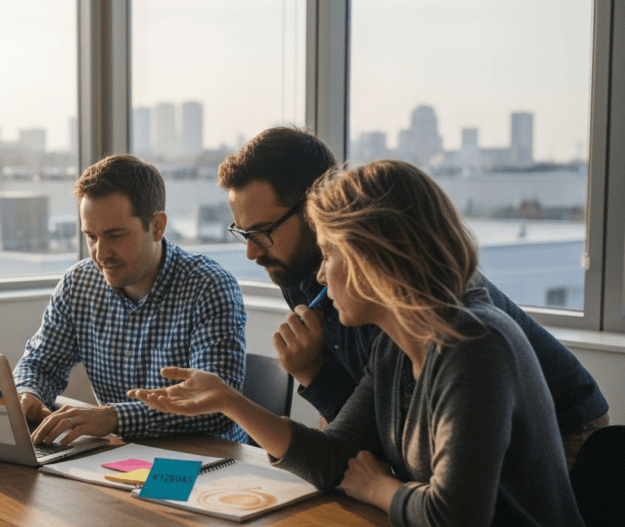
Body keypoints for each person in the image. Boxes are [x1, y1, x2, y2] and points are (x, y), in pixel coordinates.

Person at [130, 160, 592, 527]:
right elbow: (335, 457)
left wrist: (378, 489)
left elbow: (455, 519)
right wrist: (229, 401)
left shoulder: (473, 343)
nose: (321, 276)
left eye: (329, 256)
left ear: (371, 257)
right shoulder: (394, 345)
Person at [218, 126, 608, 467]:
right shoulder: (295, 268)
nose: (251, 252)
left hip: (559, 426)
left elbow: (387, 438)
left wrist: (313, 376)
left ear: (312, 208)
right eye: (242, 232)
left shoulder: (394, 290)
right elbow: (363, 426)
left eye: (261, 232)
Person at [15, 154, 247, 445]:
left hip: (206, 459)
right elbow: (40, 365)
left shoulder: (209, 288)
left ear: (157, 226)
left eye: (115, 235)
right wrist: (28, 393)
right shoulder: (78, 284)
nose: (100, 254)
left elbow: (214, 406)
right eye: (91, 237)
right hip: (121, 456)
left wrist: (114, 417)